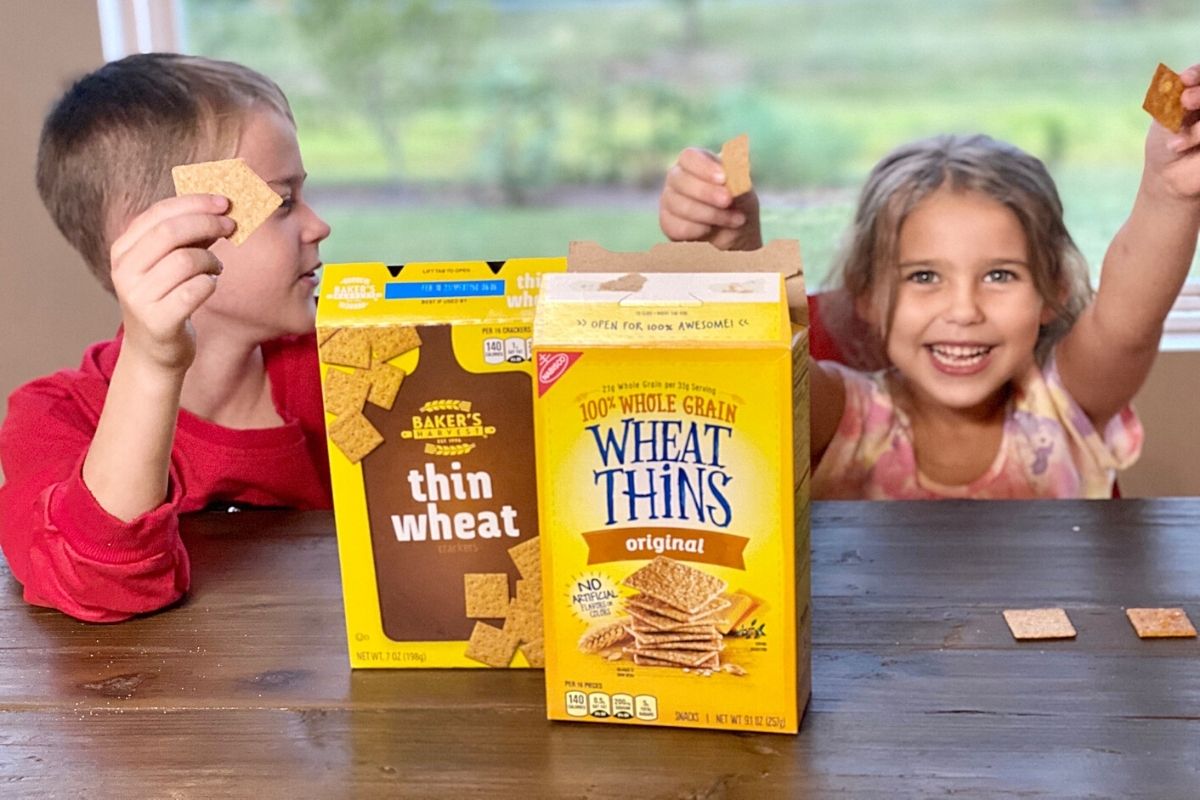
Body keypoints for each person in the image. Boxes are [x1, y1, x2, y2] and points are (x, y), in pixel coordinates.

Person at [659, 64, 1200, 499]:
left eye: (998, 275)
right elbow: (769, 366)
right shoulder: (844, 419)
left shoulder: (1064, 402)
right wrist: (730, 243)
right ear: (865, 292)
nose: (963, 310)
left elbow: (1128, 319)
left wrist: (1169, 190)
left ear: (1053, 290)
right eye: (924, 276)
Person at [0, 53, 333, 621]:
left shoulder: (347, 371)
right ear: (170, 238)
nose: (318, 225)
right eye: (282, 202)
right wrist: (153, 362)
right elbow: (98, 581)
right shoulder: (52, 418)